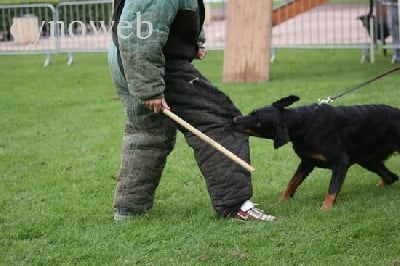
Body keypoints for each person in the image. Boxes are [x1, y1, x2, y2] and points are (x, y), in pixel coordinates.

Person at [108, 0, 276, 222]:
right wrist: (149, 88)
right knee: (220, 120)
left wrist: (195, 41)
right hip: (150, 63)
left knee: (149, 133)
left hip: (129, 60)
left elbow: (182, 10)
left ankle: (129, 210)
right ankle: (235, 206)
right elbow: (140, 34)